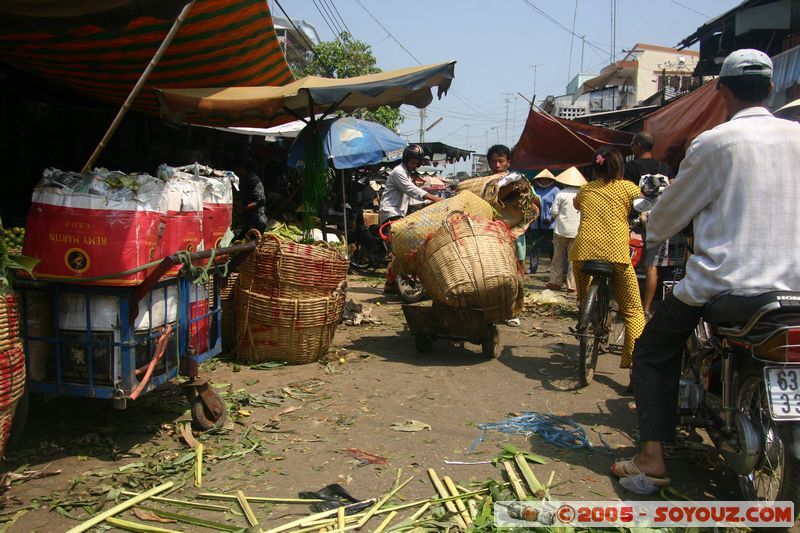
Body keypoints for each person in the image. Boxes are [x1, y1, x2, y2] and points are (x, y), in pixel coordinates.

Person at [612, 49, 800, 493]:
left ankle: (652, 458)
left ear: (723, 91)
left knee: (654, 350)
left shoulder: (715, 143)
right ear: (771, 89)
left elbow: (665, 219)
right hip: (793, 290)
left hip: (727, 287)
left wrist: (652, 221)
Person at [570, 146, 646, 371]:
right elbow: (643, 202)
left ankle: (586, 314)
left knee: (583, 299)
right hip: (617, 255)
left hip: (583, 253)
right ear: (620, 167)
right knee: (633, 311)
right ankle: (634, 365)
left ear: (595, 168)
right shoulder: (628, 188)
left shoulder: (585, 189)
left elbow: (576, 204)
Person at [623, 132, 675, 319]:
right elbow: (674, 191)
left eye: (632, 144)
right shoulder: (666, 168)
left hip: (636, 225)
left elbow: (627, 193)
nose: (631, 147)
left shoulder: (631, 167)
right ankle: (645, 310)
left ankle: (628, 307)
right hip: (661, 224)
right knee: (652, 267)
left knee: (627, 265)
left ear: (638, 146)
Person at [379, 144, 442, 293]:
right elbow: (412, 190)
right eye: (412, 161)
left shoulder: (407, 173)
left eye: (416, 162)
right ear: (406, 159)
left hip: (399, 214)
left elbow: (413, 198)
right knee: (400, 251)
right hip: (390, 213)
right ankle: (391, 284)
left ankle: (389, 285)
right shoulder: (399, 172)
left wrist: (429, 203)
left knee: (399, 252)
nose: (414, 164)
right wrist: (434, 198)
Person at [484, 144, 526, 327]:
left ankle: (514, 311)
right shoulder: (485, 183)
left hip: (515, 234)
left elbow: (530, 203)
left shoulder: (518, 180)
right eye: (493, 161)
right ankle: (493, 309)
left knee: (517, 273)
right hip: (492, 234)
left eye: (501, 161)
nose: (497, 165)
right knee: (492, 273)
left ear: (508, 161)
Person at [546, 166, 585, 293]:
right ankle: (572, 286)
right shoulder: (582, 194)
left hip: (560, 230)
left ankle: (555, 282)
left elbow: (554, 212)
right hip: (576, 231)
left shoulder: (561, 194)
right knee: (573, 259)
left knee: (557, 257)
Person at [528, 170, 559, 275]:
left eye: (547, 179)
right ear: (538, 180)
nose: (544, 181)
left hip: (550, 224)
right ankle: (532, 268)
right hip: (536, 223)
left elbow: (558, 207)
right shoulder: (535, 190)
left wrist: (550, 218)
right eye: (542, 179)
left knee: (551, 247)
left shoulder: (556, 191)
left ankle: (554, 268)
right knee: (534, 246)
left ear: (551, 180)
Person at [233, 160, 267, 240]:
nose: (236, 171)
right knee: (238, 242)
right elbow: (247, 198)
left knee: (250, 248)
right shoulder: (244, 179)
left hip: (257, 222)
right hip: (248, 223)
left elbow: (261, 200)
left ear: (243, 168)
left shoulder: (253, 180)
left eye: (238, 169)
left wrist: (243, 208)